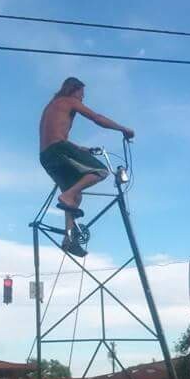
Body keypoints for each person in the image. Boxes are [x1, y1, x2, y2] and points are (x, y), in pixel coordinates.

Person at [39, 77, 134, 256]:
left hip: (46, 156)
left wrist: (81, 149)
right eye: (82, 93)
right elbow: (96, 118)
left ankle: (69, 238)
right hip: (58, 150)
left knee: (76, 196)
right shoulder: (69, 101)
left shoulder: (51, 106)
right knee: (100, 171)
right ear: (74, 90)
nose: (82, 98)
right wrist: (123, 129)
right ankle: (67, 196)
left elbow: (56, 135)